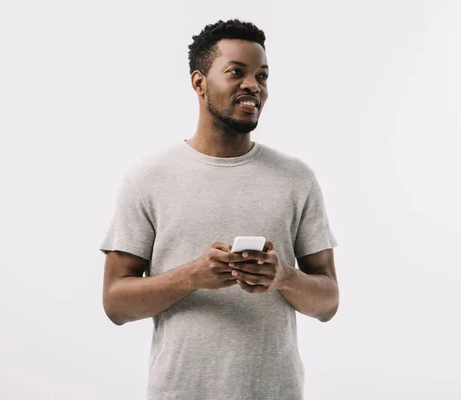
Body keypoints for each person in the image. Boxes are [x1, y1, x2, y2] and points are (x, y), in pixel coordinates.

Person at [100, 18, 339, 400]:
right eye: (236, 72)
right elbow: (115, 303)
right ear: (199, 83)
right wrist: (192, 276)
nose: (253, 86)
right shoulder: (148, 178)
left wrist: (283, 277)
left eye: (262, 76)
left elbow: (328, 301)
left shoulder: (297, 178)